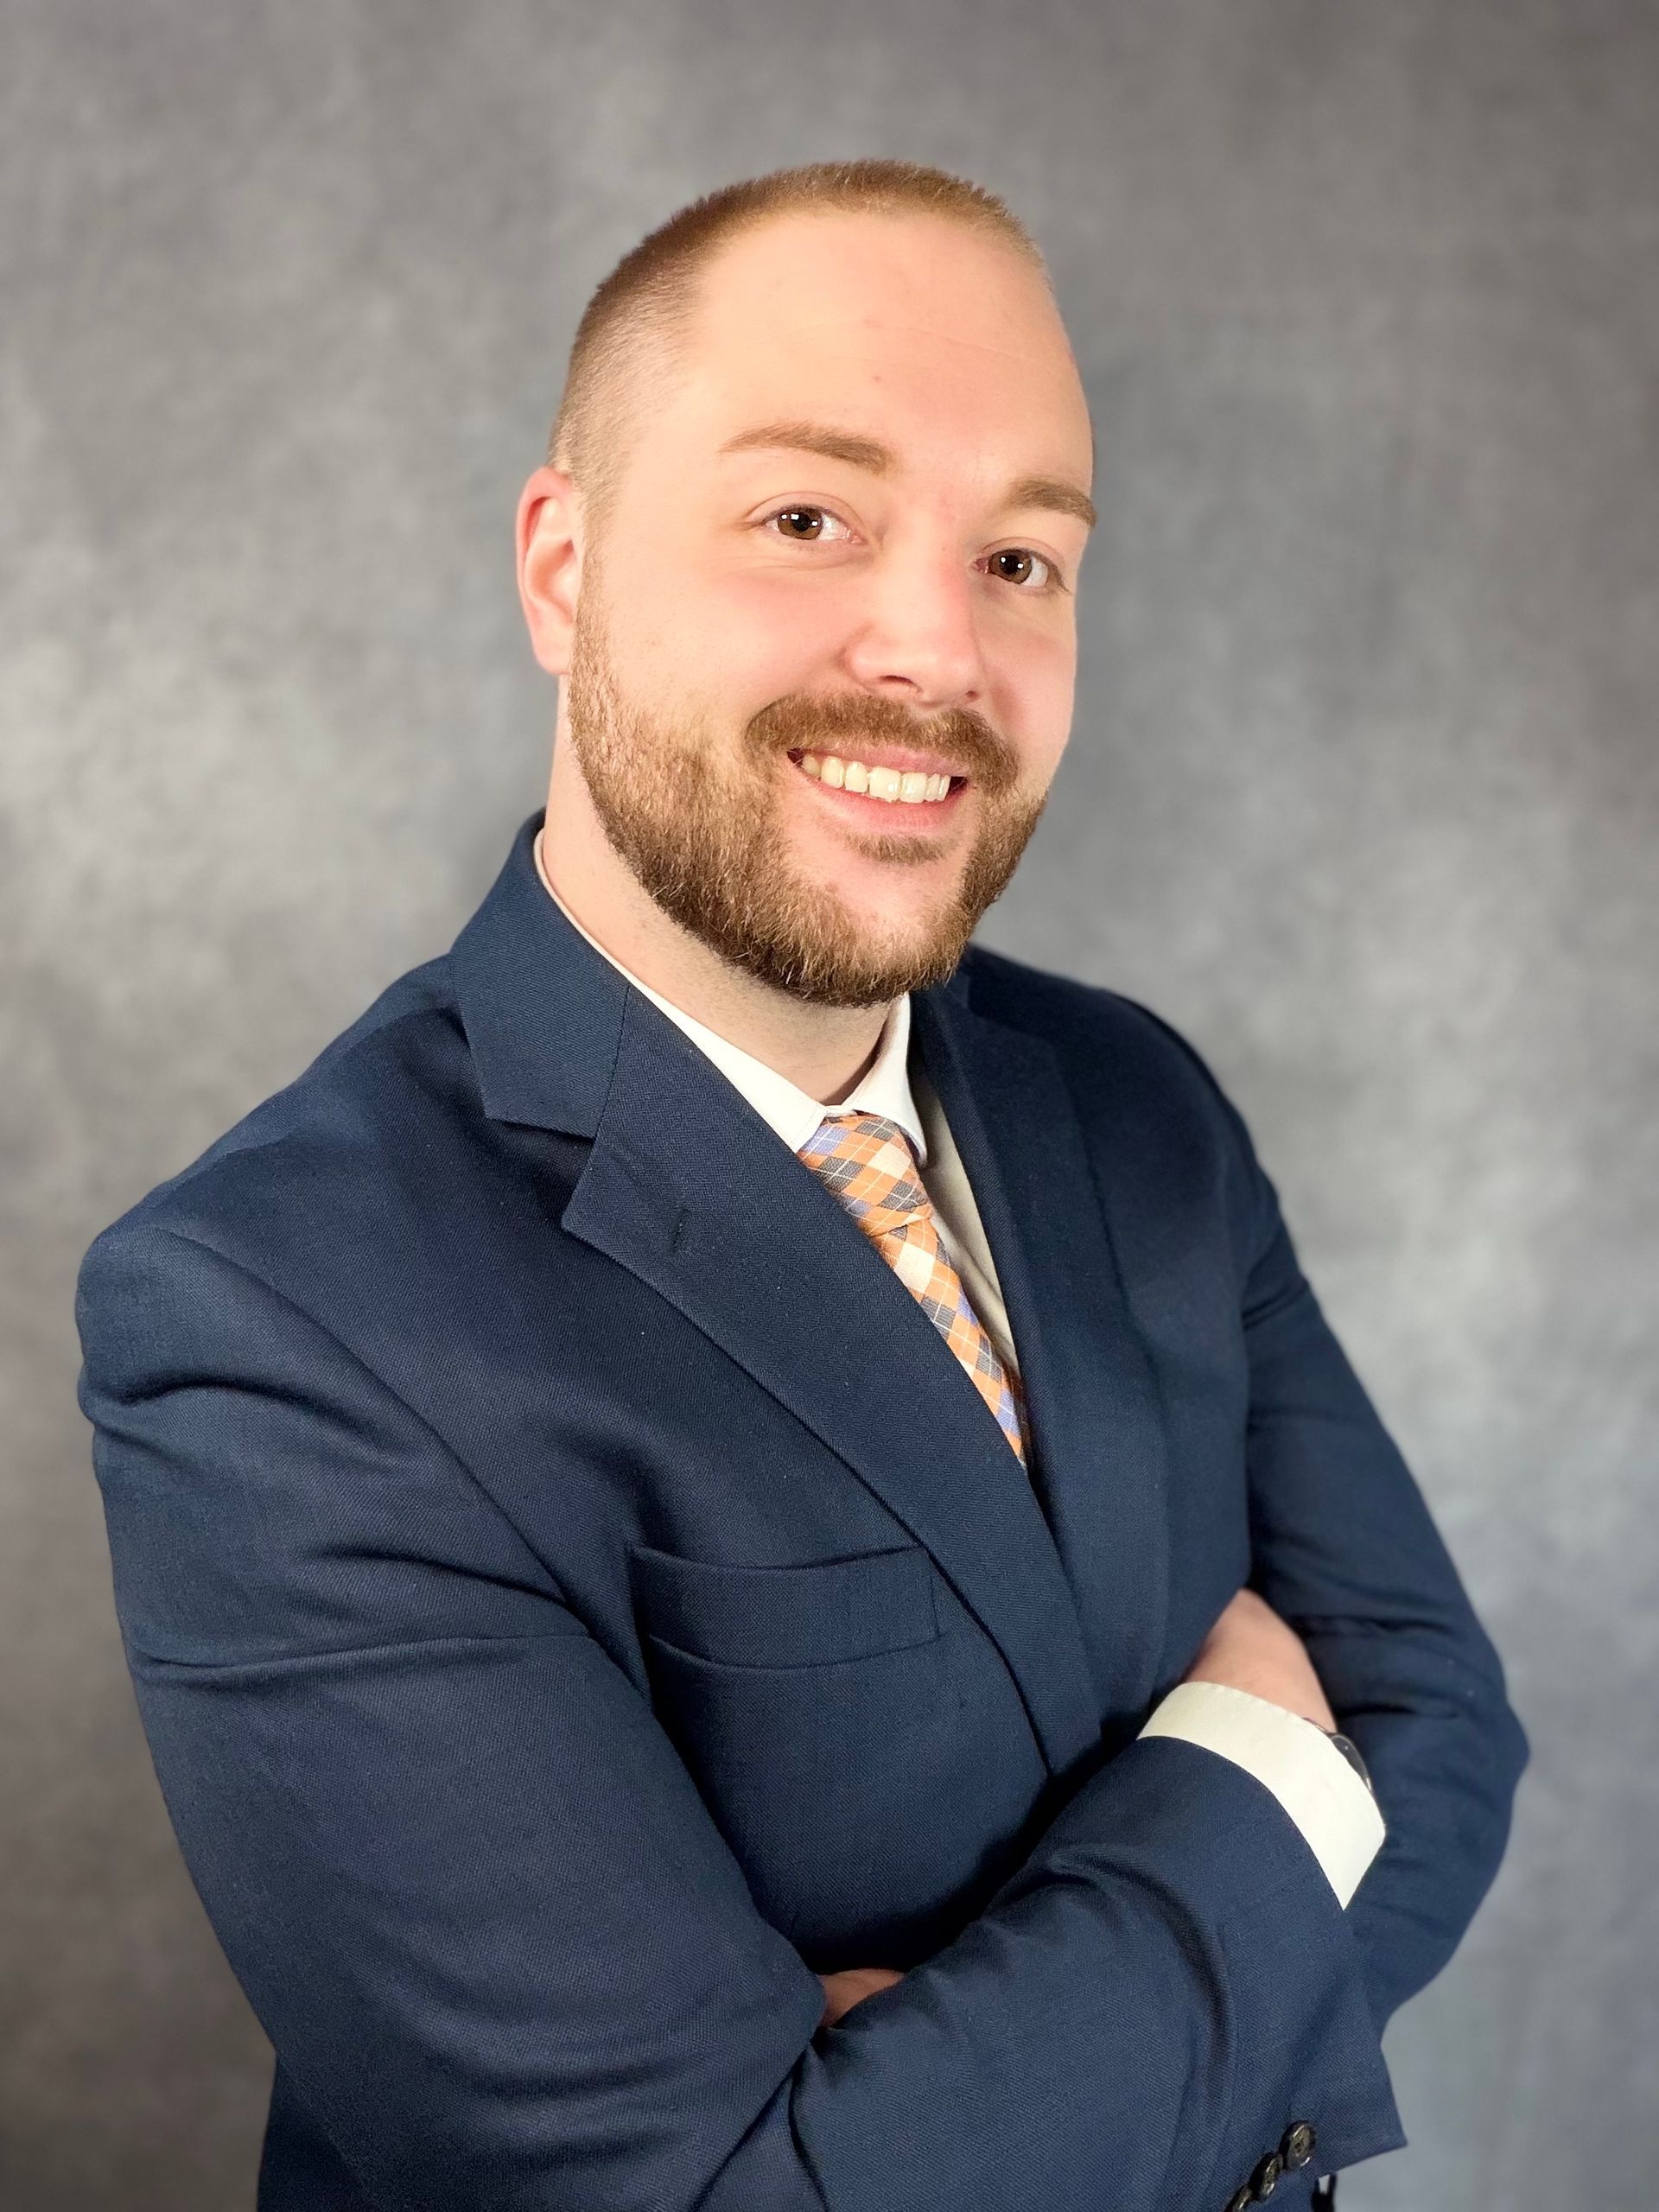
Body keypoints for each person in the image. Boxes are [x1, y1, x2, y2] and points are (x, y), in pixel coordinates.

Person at [74, 159, 1527, 2212]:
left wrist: (961, 2099)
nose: (934, 648)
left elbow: (1436, 1722)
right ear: (564, 568)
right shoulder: (276, 1315)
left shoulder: (1136, 1105)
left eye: (1020, 555)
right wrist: (1268, 1767)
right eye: (807, 518)